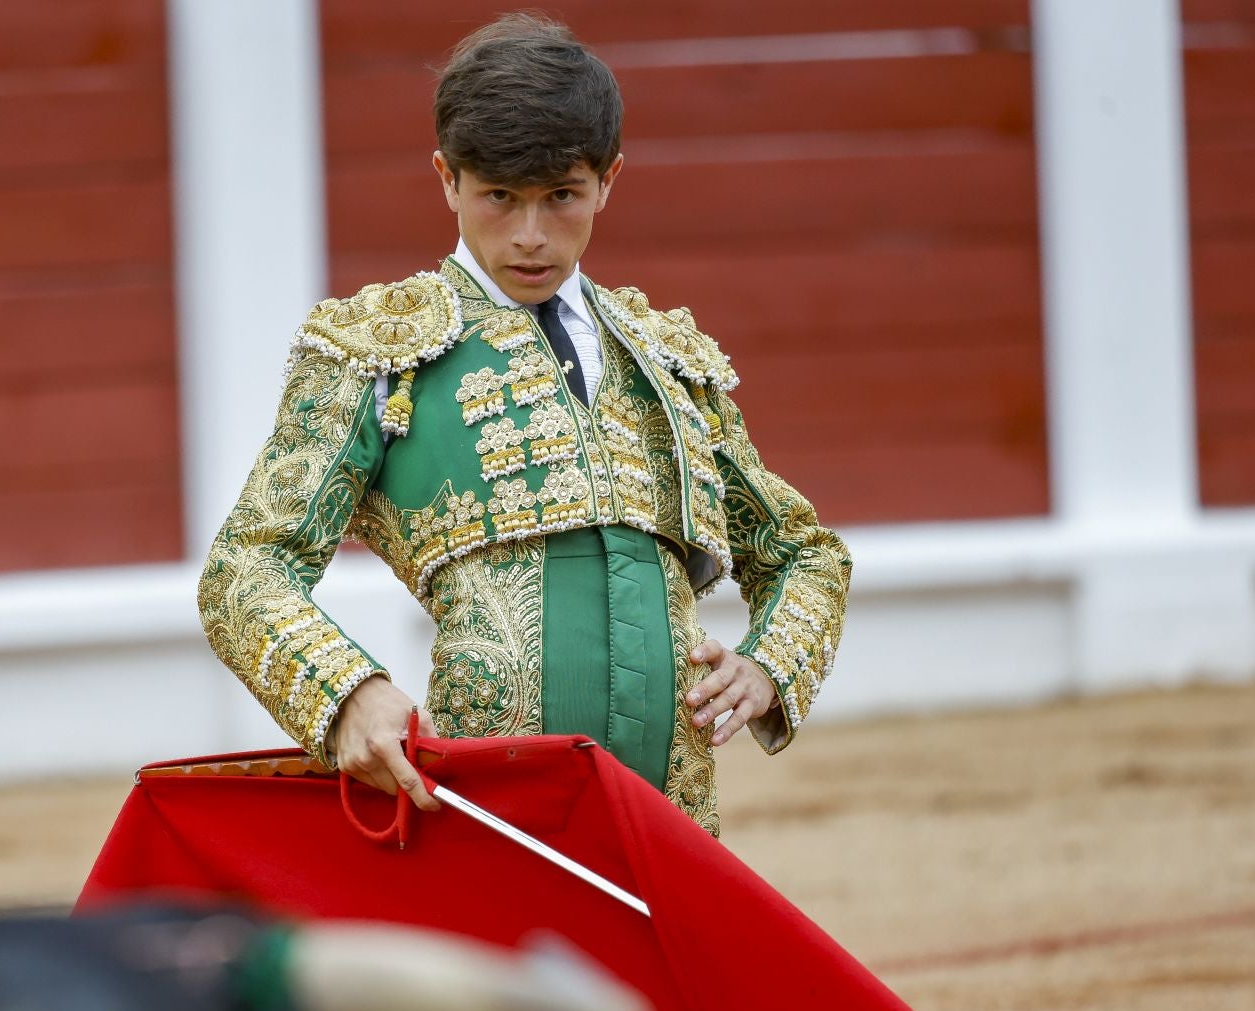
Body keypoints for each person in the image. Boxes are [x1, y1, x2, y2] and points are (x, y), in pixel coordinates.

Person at [198, 13, 849, 836]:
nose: (531, 237)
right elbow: (244, 568)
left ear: (609, 179)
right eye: (499, 197)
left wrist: (766, 666)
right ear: (447, 178)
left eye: (562, 197)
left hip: (673, 822)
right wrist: (345, 694)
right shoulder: (377, 353)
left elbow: (803, 552)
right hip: (488, 815)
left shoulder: (666, 358)